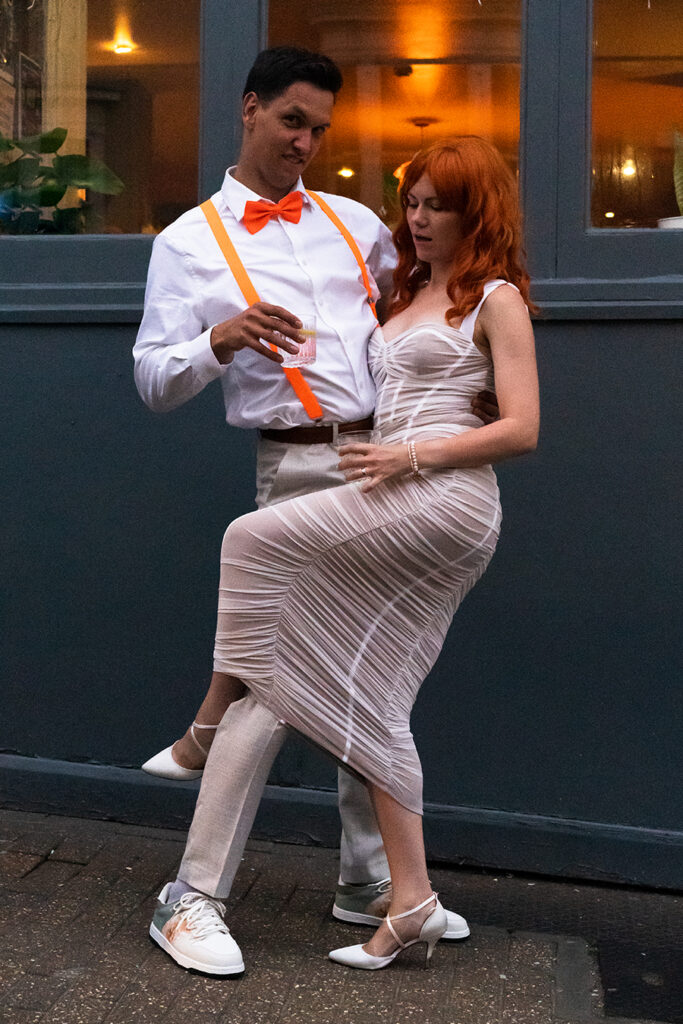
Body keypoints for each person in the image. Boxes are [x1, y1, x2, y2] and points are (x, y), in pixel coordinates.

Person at [146, 133, 539, 975]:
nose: (306, 141)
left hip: (399, 478)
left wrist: (411, 456)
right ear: (252, 112)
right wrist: (217, 340)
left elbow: (517, 421)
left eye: (320, 128)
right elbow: (152, 379)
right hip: (309, 461)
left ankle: (206, 743)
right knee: (345, 685)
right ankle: (391, 894)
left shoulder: (365, 232)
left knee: (289, 676)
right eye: (415, 201)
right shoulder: (187, 241)